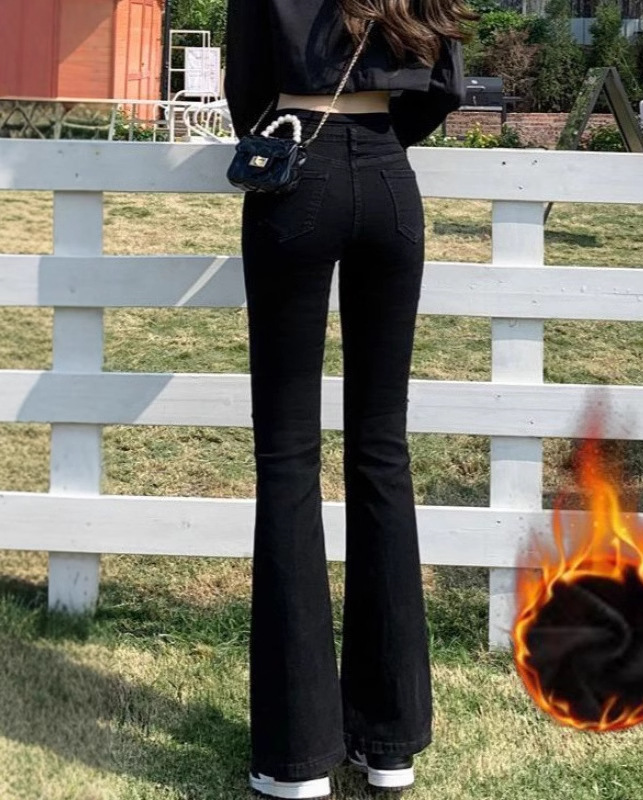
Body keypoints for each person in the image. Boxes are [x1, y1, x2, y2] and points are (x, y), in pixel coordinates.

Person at [224, 1, 477, 798]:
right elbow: (445, 86)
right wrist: (376, 140)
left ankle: (296, 755)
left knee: (287, 457)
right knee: (381, 452)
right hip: (390, 180)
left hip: (298, 173)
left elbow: (246, 87)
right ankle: (388, 742)